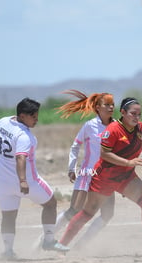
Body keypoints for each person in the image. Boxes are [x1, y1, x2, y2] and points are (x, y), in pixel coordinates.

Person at [59, 97, 142, 255]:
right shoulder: (113, 129)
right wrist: (128, 162)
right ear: (123, 112)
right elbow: (104, 154)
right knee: (88, 213)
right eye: (133, 113)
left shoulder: (139, 128)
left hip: (126, 177)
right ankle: (61, 247)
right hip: (105, 177)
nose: (136, 117)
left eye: (139, 114)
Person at [0, 97, 70, 260]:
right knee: (51, 203)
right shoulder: (25, 136)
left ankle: (8, 251)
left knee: (8, 216)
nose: (37, 119)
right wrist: (23, 180)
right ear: (23, 116)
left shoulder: (3, 121)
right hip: (27, 181)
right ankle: (48, 240)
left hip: (2, 180)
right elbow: (20, 158)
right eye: (33, 116)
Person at [46, 89, 116, 249]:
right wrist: (72, 167)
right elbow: (76, 145)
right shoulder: (89, 126)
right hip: (88, 175)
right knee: (74, 210)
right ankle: (46, 239)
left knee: (107, 214)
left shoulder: (117, 126)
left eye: (113, 105)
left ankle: (81, 246)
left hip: (107, 177)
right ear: (98, 107)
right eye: (107, 105)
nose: (111, 108)